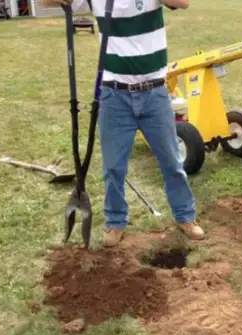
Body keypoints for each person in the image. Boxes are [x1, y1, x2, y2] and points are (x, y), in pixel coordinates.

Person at [41, 0, 205, 247]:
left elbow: (183, 3)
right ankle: (116, 222)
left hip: (155, 93)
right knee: (114, 167)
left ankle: (185, 217)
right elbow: (46, 2)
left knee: (172, 161)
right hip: (114, 95)